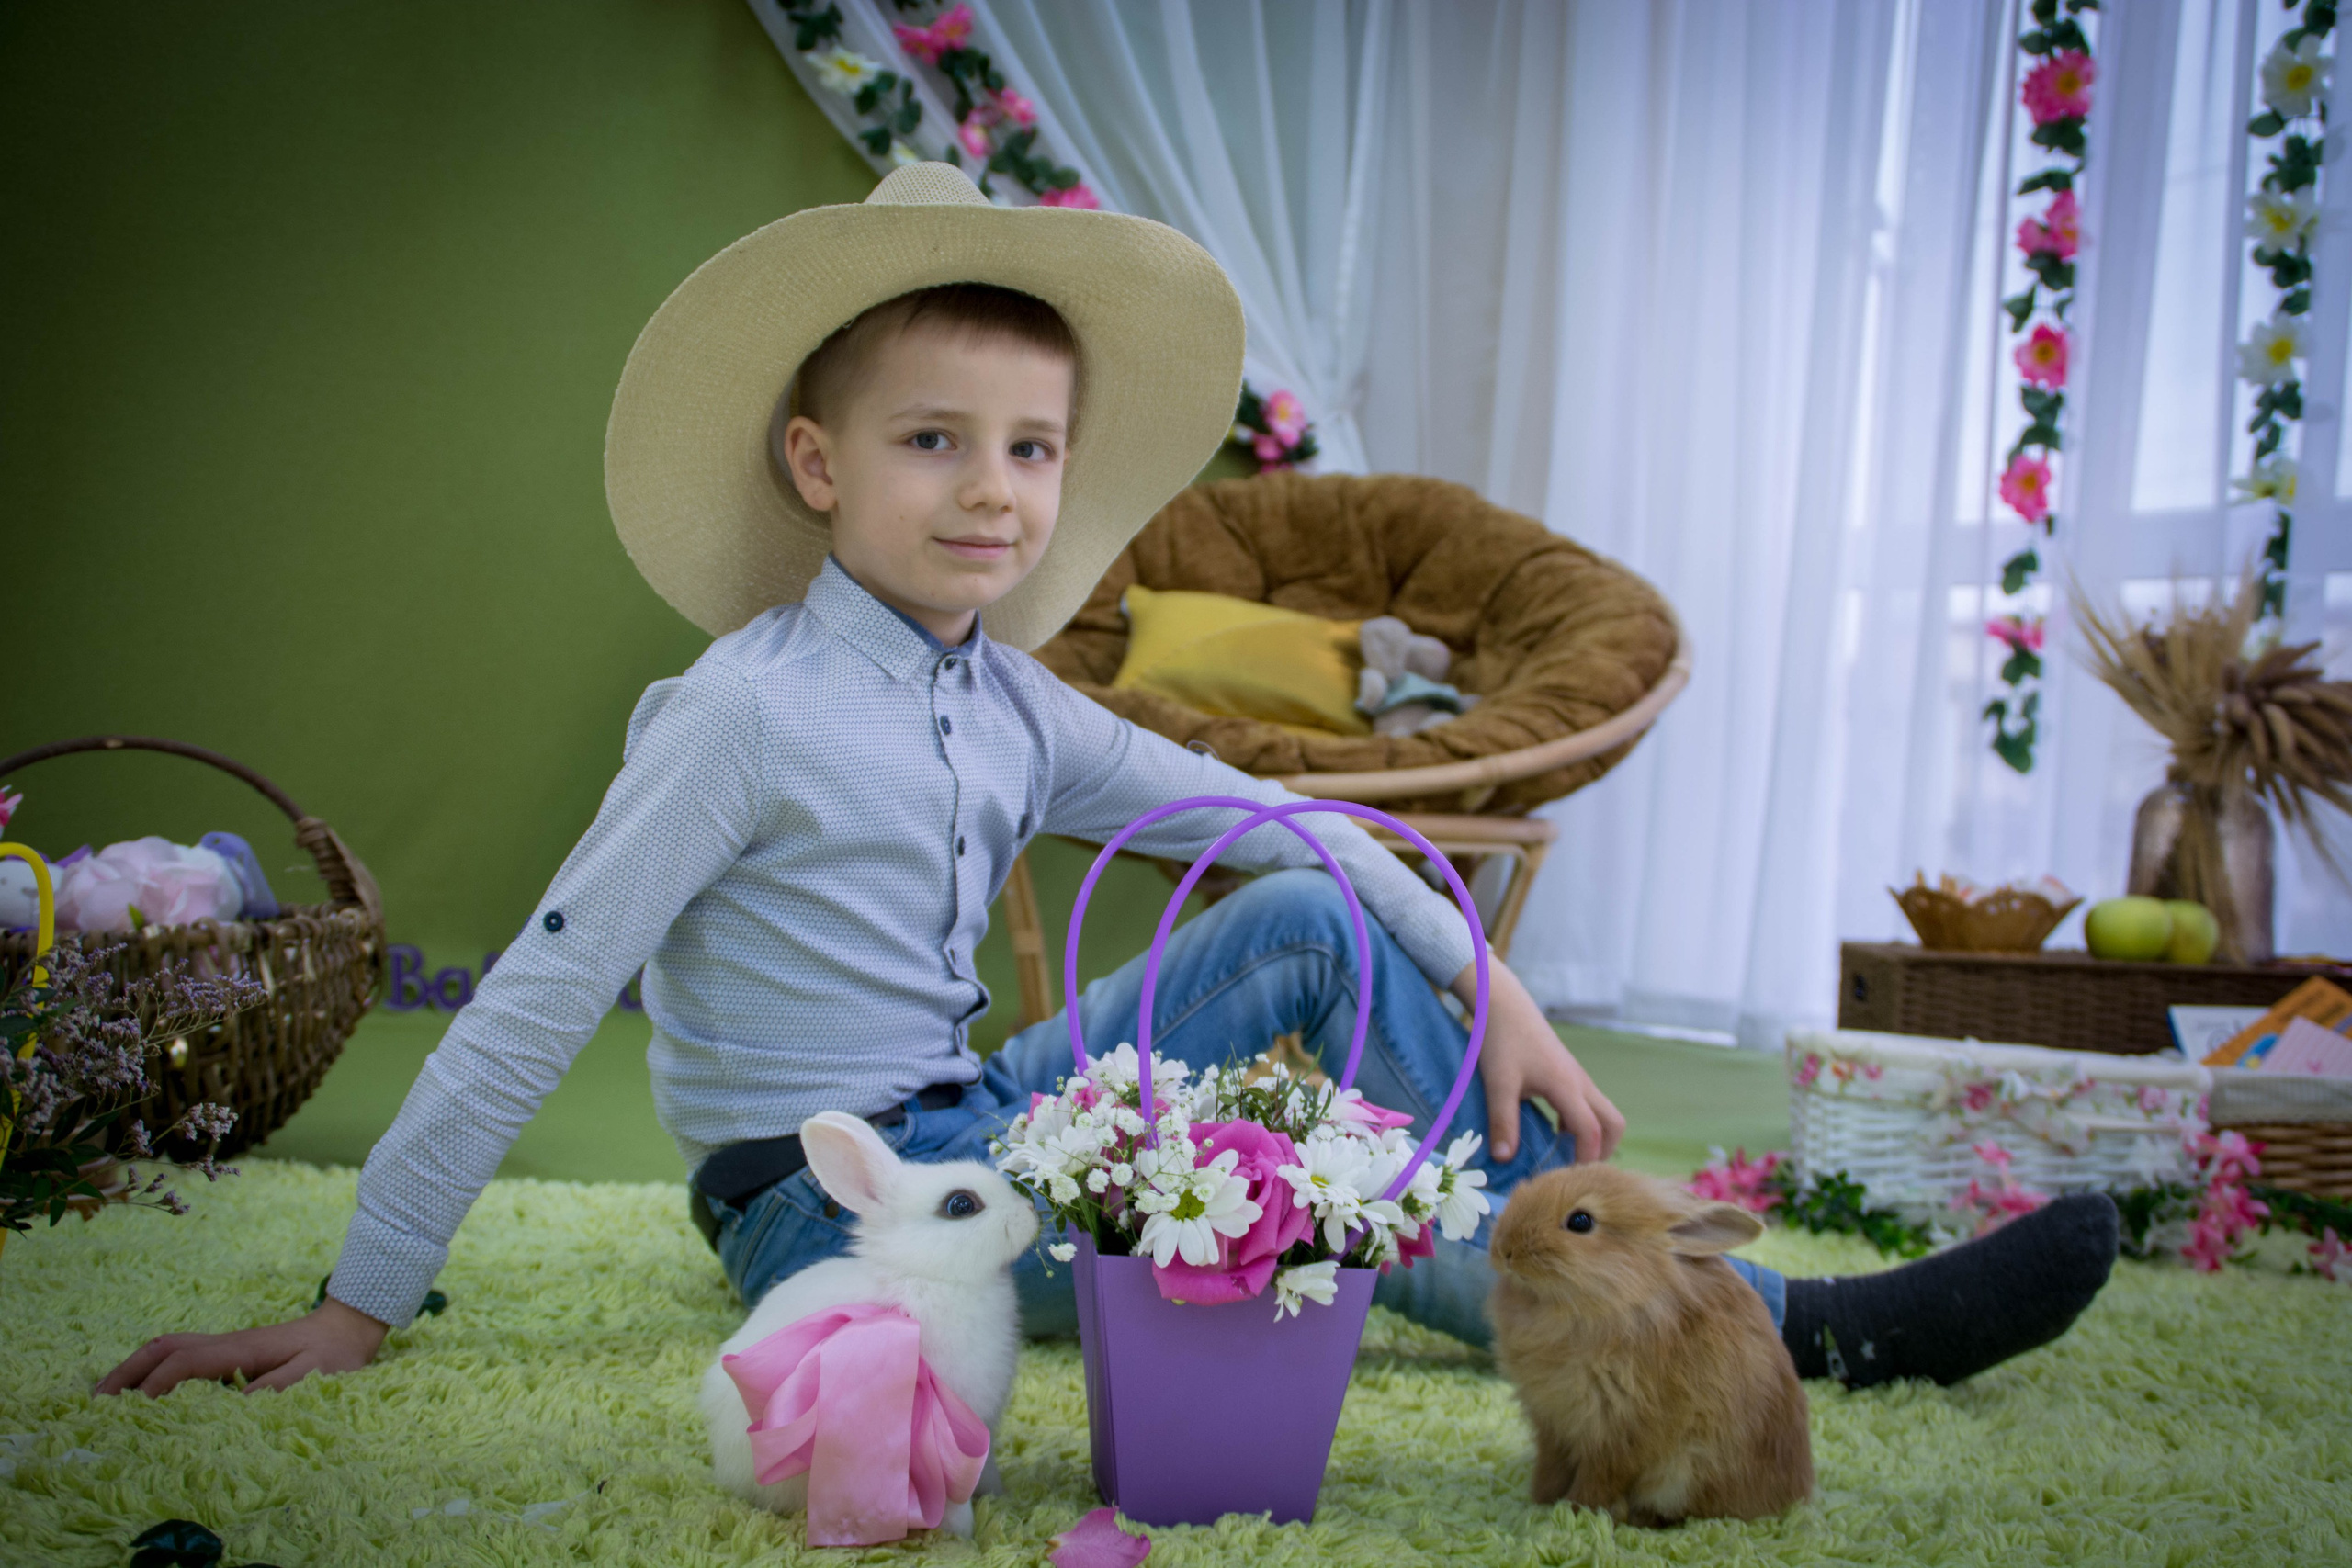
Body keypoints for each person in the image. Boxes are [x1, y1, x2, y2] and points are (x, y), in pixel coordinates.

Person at [98, 163, 2115, 1402]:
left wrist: (1486, 981)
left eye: (1031, 449)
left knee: (1316, 910)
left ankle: (1632, 1266)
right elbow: (540, 989)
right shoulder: (738, 712)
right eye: (931, 442)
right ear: (817, 464)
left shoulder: (1010, 695)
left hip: (987, 1107)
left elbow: (1295, 830)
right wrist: (363, 1296)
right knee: (1275, 1207)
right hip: (848, 1217)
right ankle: (1763, 1321)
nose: (991, 491)